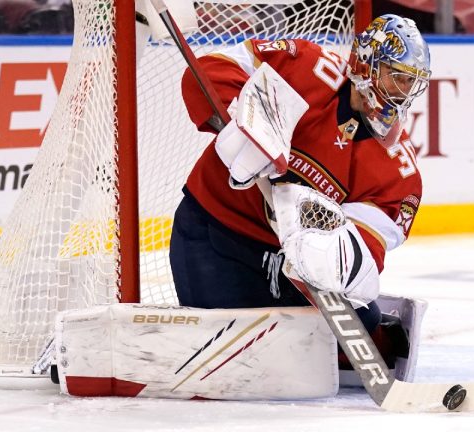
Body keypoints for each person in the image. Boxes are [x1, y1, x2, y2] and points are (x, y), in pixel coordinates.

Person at [170, 14, 431, 339]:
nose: (404, 92)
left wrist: (334, 256)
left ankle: (378, 338)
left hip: (288, 265)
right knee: (228, 350)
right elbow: (210, 68)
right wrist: (242, 121)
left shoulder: (399, 172)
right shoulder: (305, 67)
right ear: (367, 65)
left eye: (412, 82)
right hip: (216, 232)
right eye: (397, 77)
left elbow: (367, 248)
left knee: (362, 320)